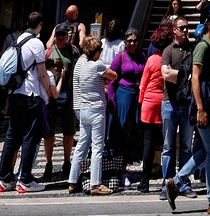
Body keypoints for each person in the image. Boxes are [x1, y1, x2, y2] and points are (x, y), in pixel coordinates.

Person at [165, 14, 210, 216]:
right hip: (203, 103)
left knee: (209, 150)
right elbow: (195, 78)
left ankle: (178, 181)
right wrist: (200, 108)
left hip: (208, 101)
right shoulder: (202, 47)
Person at [0, 11, 58, 194]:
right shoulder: (36, 43)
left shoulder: (18, 40)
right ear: (39, 25)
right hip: (30, 95)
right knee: (30, 137)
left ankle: (4, 180)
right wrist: (48, 90)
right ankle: (25, 180)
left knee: (11, 137)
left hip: (14, 93)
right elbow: (41, 73)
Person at [67, 35, 117, 196]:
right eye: (100, 50)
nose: (101, 53)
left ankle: (73, 180)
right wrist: (104, 81)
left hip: (84, 109)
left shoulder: (80, 63)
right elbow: (114, 75)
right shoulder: (98, 65)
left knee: (82, 144)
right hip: (96, 110)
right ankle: (96, 183)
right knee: (97, 147)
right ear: (94, 51)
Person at [160, 16, 193, 199]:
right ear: (174, 30)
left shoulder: (192, 49)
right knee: (168, 146)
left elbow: (196, 73)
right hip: (170, 103)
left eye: (187, 28)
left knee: (187, 147)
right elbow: (165, 74)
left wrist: (177, 74)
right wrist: (186, 75)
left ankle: (184, 183)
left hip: (187, 103)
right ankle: (166, 184)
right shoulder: (168, 51)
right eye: (182, 28)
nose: (185, 31)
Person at [42, 23, 79, 181]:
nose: (61, 38)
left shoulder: (73, 51)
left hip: (68, 95)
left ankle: (67, 162)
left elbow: (77, 71)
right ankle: (49, 163)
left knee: (69, 132)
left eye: (63, 35)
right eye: (58, 35)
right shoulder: (48, 52)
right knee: (48, 133)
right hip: (51, 97)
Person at [109, 30, 146, 181]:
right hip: (123, 96)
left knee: (133, 131)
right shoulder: (121, 57)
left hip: (136, 97)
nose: (132, 43)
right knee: (121, 132)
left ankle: (128, 165)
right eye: (130, 40)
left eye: (135, 40)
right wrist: (112, 101)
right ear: (125, 42)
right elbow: (111, 79)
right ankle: (120, 167)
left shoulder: (141, 56)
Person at [137, 25, 170, 193]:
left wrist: (141, 101)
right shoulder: (169, 59)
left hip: (149, 103)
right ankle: (167, 179)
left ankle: (145, 181)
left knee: (148, 143)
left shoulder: (151, 60)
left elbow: (143, 83)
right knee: (166, 143)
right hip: (164, 101)